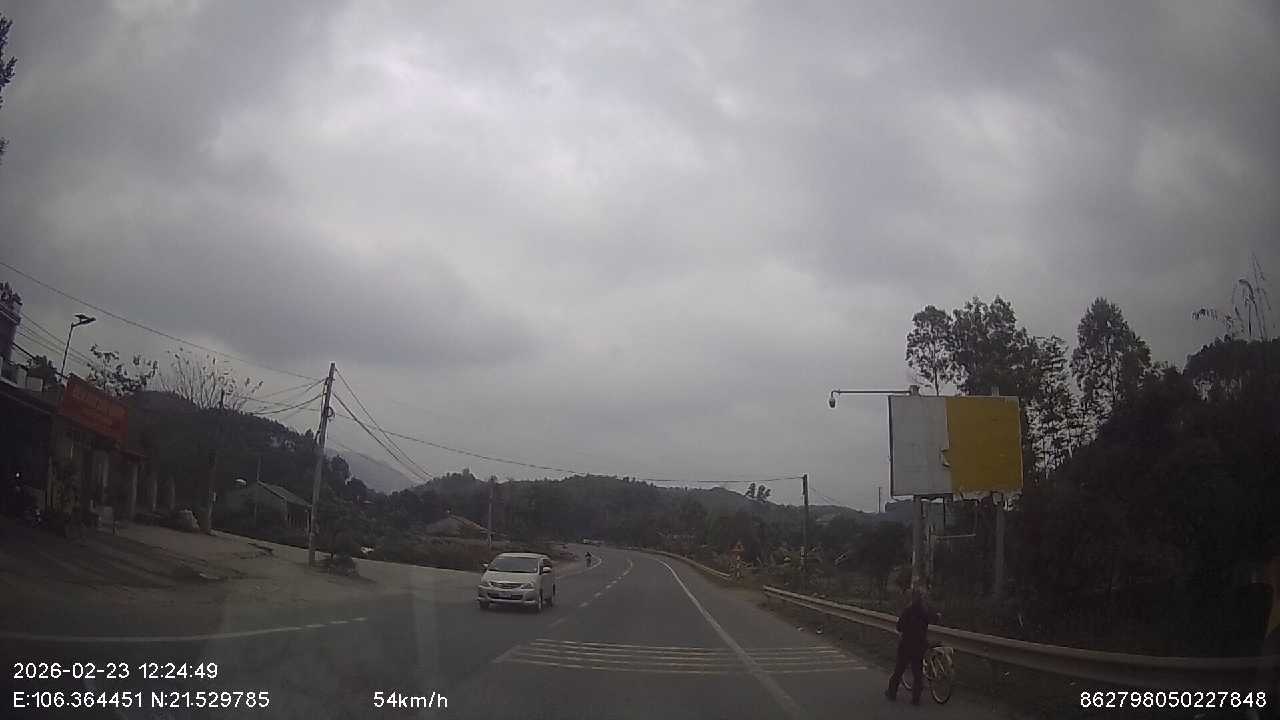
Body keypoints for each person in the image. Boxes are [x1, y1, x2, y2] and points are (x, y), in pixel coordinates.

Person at [885, 587, 938, 705]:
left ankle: (892, 692)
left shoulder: (907, 610)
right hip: (920, 644)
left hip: (906, 644)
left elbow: (899, 627)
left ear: (912, 597)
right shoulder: (925, 611)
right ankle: (916, 698)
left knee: (899, 669)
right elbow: (934, 619)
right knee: (917, 672)